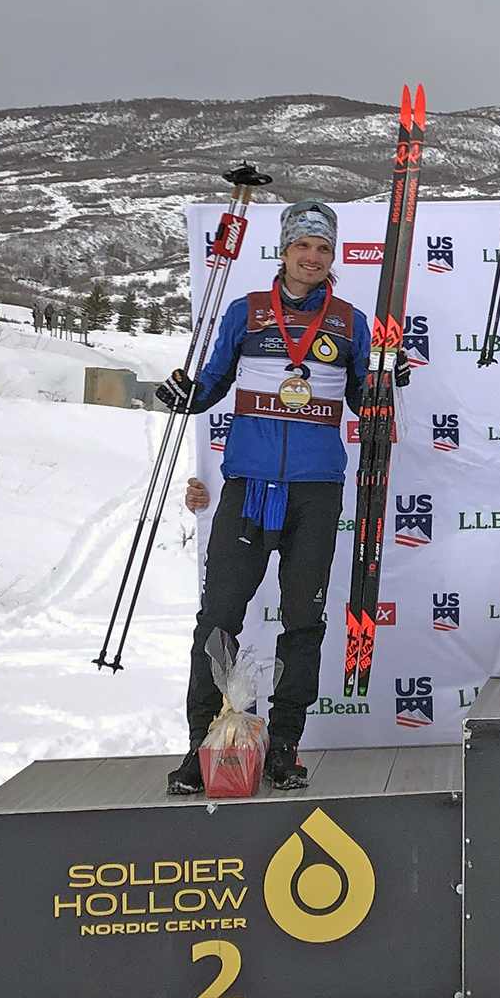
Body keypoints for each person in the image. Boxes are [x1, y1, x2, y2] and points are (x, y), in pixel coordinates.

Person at [154, 199, 371, 793]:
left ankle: (285, 748)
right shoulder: (245, 314)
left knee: (304, 621)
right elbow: (210, 387)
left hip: (316, 490)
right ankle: (201, 750)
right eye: (303, 245)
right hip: (249, 487)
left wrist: (386, 380)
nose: (312, 257)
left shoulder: (350, 322)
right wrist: (179, 394)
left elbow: (366, 406)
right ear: (284, 251)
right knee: (218, 618)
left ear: (333, 257)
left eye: (323, 248)